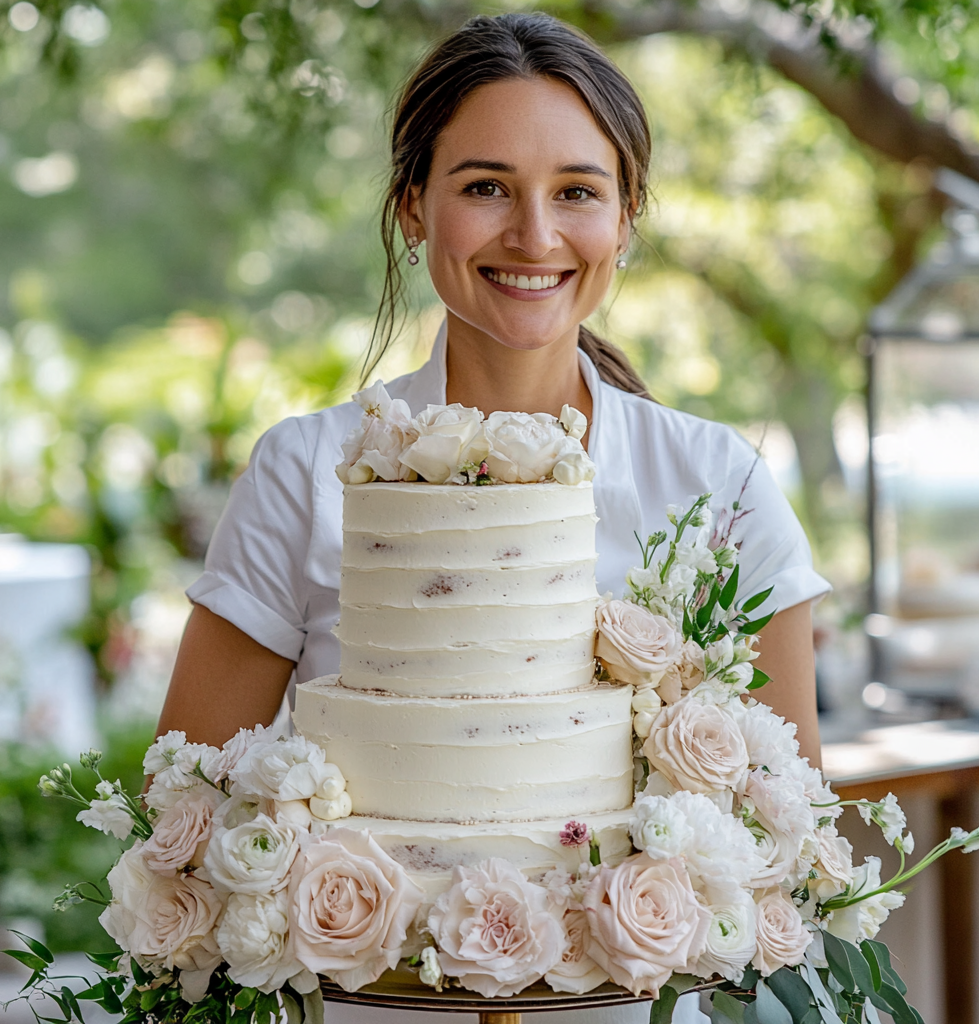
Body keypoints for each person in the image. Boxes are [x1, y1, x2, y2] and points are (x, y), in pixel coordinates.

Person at [157, 13, 830, 1023]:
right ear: (413, 206)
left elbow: (788, 828)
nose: (533, 235)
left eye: (576, 192)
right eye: (484, 188)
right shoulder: (306, 472)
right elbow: (189, 812)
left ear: (626, 215)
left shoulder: (718, 482)